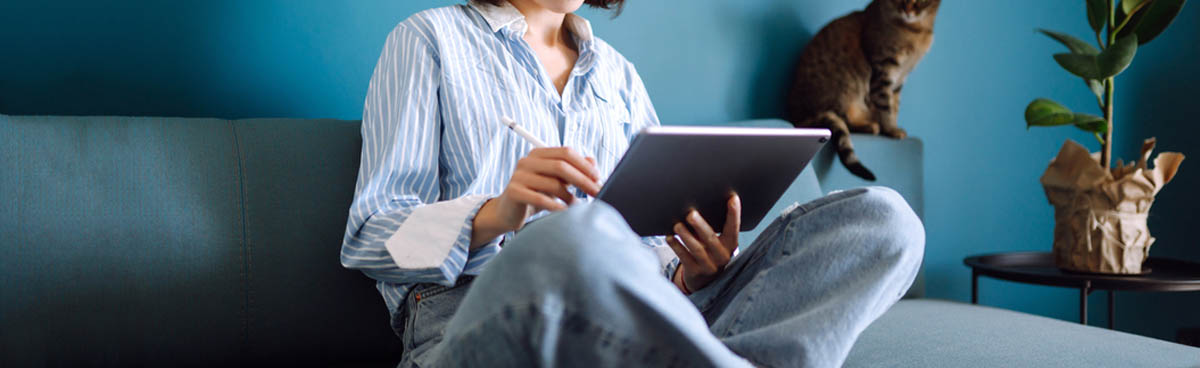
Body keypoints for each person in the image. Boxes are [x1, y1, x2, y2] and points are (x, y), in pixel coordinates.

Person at [339, 0, 924, 366]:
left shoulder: (617, 75)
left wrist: (692, 269)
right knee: (570, 238)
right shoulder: (427, 40)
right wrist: (498, 211)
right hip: (486, 312)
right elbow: (370, 236)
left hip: (649, 310)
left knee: (885, 223)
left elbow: (652, 239)